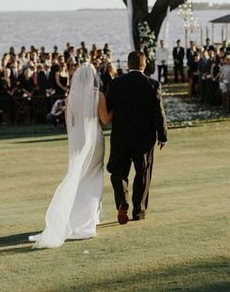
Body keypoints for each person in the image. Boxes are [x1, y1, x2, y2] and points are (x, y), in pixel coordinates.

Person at [29, 63, 112, 248]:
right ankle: (88, 221)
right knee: (93, 177)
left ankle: (76, 218)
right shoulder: (97, 95)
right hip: (94, 138)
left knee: (79, 178)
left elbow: (71, 121)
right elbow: (105, 119)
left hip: (78, 139)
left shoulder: (71, 97)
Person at [105, 51, 168, 224]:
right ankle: (138, 210)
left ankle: (122, 202)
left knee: (118, 172)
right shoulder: (153, 84)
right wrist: (163, 136)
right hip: (144, 138)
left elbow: (107, 109)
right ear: (144, 64)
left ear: (128, 64)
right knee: (143, 173)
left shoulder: (116, 84)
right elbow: (159, 113)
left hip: (120, 136)